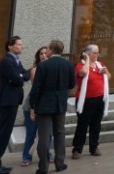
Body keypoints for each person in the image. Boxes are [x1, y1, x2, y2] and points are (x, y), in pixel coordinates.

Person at [28, 39, 75, 174]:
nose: (46, 51)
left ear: (52, 50)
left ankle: (43, 168)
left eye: (48, 48)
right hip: (60, 103)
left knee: (44, 136)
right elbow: (71, 84)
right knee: (60, 133)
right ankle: (60, 164)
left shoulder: (43, 66)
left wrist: (32, 105)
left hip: (44, 104)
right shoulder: (69, 65)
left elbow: (36, 87)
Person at [0, 35, 31, 174]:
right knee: (3, 134)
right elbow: (19, 79)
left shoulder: (16, 61)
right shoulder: (7, 61)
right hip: (7, 101)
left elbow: (26, 75)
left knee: (5, 133)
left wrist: (21, 76)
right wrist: (21, 76)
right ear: (10, 46)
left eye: (21, 44)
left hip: (12, 100)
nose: (21, 46)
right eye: (18, 44)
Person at [72, 45, 110, 159]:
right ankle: (77, 149)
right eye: (95, 53)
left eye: (98, 53)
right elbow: (83, 73)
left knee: (96, 124)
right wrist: (87, 60)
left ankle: (94, 147)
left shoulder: (100, 65)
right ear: (88, 54)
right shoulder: (80, 65)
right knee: (82, 125)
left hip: (99, 98)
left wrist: (106, 71)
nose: (98, 55)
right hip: (86, 100)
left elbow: (109, 77)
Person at [21, 46, 52, 167]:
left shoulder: (52, 68)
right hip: (31, 106)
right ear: (38, 56)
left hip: (46, 106)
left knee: (47, 133)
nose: (43, 56)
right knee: (31, 133)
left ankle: (47, 155)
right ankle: (26, 157)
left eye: (46, 54)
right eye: (41, 54)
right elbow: (37, 86)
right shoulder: (35, 69)